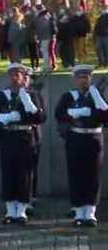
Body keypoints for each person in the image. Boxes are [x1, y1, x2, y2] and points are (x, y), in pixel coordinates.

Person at [0, 63, 46, 224]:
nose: (14, 78)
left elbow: (41, 118)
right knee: (8, 173)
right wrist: (1, 118)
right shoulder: (1, 96)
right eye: (12, 75)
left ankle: (21, 211)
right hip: (7, 138)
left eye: (17, 75)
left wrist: (27, 106)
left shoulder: (32, 95)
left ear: (23, 77)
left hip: (26, 138)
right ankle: (10, 210)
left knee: (24, 175)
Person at [54, 65, 108, 227]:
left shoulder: (97, 95)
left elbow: (106, 118)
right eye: (80, 77)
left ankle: (90, 212)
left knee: (93, 176)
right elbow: (59, 114)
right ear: (75, 80)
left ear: (90, 79)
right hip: (76, 138)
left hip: (94, 139)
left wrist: (97, 104)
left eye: (86, 77)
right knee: (76, 174)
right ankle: (78, 212)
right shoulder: (68, 97)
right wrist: (73, 113)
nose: (84, 80)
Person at [34, 7, 57, 72]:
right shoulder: (49, 17)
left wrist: (38, 37)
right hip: (50, 37)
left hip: (45, 37)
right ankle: (49, 65)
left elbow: (39, 29)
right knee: (49, 52)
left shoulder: (41, 19)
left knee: (45, 52)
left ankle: (47, 66)